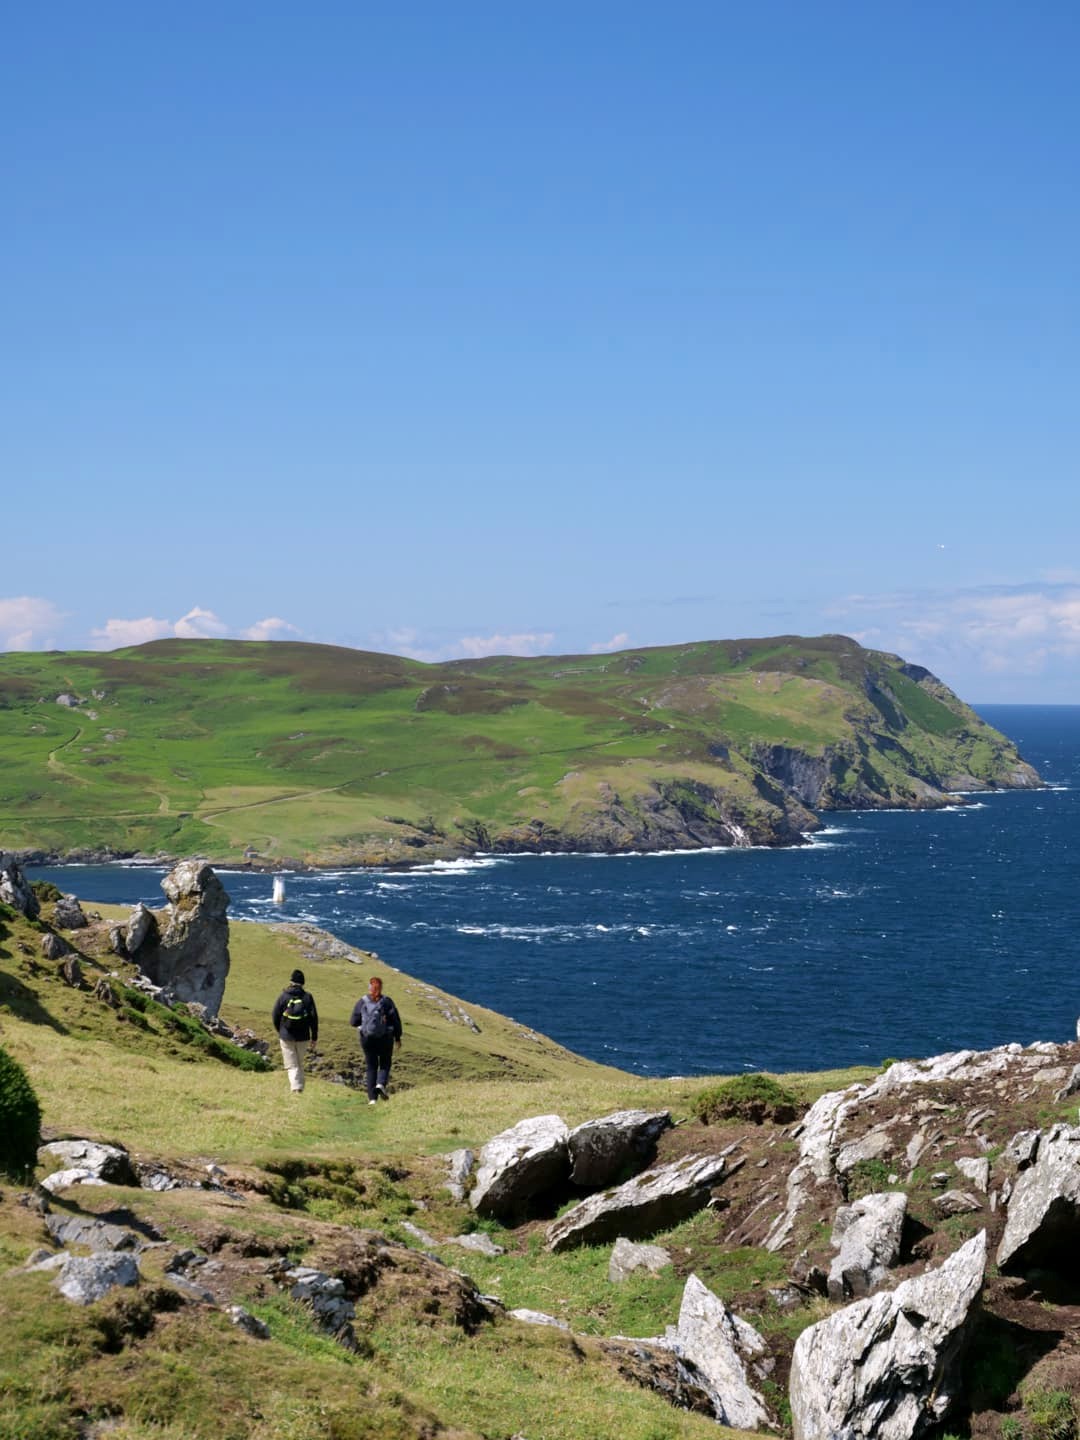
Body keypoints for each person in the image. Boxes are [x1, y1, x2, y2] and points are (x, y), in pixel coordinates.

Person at [350, 974, 402, 1104]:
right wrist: (397, 1037)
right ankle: (380, 1084)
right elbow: (395, 1020)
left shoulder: (362, 1001)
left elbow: (353, 1021)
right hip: (385, 1038)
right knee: (385, 1062)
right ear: (381, 988)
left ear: (369, 988)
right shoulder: (387, 1001)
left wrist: (365, 1026)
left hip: (367, 1038)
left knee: (371, 1066)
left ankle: (372, 1099)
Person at [272, 968, 318, 1093]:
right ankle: (299, 1088)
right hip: (303, 1037)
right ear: (303, 983)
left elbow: (275, 1015)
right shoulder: (308, 997)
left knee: (292, 1065)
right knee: (298, 1063)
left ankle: (296, 1088)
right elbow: (314, 1018)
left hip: (286, 1035)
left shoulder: (283, 996)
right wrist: (314, 1037)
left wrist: (280, 1030)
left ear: (291, 981)